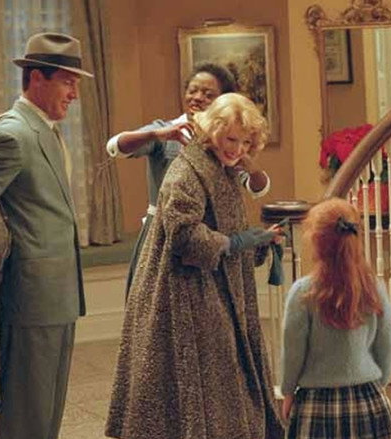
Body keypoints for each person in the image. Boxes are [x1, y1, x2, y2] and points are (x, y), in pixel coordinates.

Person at [105, 93, 284, 439]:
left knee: (224, 380)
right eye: (231, 139)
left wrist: (256, 242)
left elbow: (227, 224)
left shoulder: (222, 168)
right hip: (184, 291)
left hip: (215, 287)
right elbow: (184, 235)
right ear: (213, 131)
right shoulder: (187, 169)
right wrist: (236, 243)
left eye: (245, 143)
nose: (237, 149)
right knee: (194, 388)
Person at [0, 32, 91, 439]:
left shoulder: (46, 129)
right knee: (28, 414)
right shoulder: (13, 133)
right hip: (31, 297)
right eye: (67, 82)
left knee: (47, 412)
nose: (74, 94)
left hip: (57, 294)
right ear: (37, 78)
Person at [105, 63, 271, 295]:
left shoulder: (227, 143)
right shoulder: (166, 130)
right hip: (166, 234)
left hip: (211, 240)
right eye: (193, 90)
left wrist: (250, 165)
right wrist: (156, 134)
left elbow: (257, 188)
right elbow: (115, 146)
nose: (197, 97)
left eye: (208, 94)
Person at [280, 198, 391, 439]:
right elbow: (386, 348)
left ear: (316, 241)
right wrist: (379, 384)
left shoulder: (303, 292)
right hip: (367, 398)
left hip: (316, 403)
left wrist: (288, 391)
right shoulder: (374, 288)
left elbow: (293, 353)